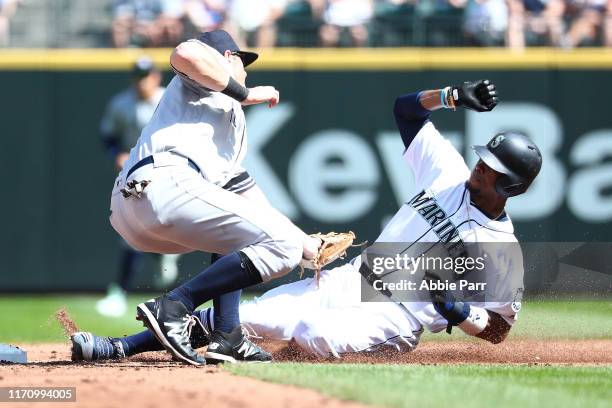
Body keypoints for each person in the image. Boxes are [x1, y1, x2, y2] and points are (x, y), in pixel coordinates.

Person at [72, 79, 542, 360]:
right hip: (350, 280)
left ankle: (272, 378)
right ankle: (121, 348)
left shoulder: (501, 251)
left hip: (396, 318)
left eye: (491, 170)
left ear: (510, 188)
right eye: (483, 160)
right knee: (243, 320)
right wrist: (452, 95)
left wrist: (460, 313)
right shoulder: (448, 173)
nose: (479, 168)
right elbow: (405, 110)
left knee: (311, 334)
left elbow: (498, 330)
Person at [82, 29, 349, 366]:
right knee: (279, 247)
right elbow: (185, 55)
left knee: (251, 238)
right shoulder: (198, 79)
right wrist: (245, 92)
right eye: (242, 60)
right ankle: (174, 306)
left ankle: (228, 336)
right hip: (161, 182)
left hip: (143, 206)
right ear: (225, 58)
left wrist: (305, 245)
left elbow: (247, 201)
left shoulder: (230, 123)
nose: (247, 69)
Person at [97, 57, 182, 318]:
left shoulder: (168, 99)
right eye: (137, 76)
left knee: (160, 222)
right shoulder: (121, 103)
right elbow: (108, 135)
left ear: (155, 77)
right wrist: (117, 153)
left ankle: (163, 257)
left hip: (167, 169)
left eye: (145, 76)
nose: (141, 81)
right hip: (137, 174)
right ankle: (119, 291)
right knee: (129, 223)